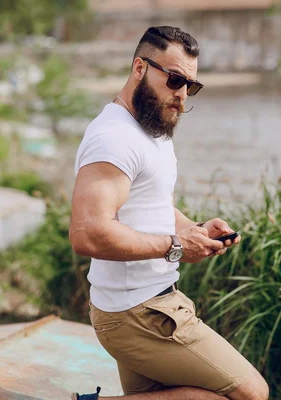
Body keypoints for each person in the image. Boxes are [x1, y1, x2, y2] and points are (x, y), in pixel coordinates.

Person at [69, 26, 269, 400]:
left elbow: (150, 203)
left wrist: (195, 231)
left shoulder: (151, 128)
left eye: (190, 86)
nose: (181, 94)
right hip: (136, 313)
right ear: (140, 68)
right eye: (174, 79)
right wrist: (176, 246)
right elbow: (87, 233)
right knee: (250, 393)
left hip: (149, 303)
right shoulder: (113, 137)